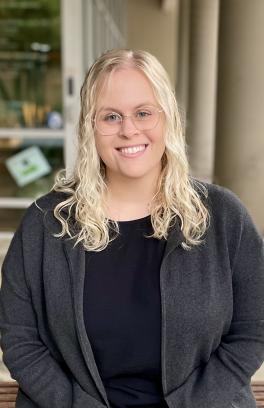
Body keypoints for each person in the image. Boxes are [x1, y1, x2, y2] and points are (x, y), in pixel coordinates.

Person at [0, 49, 264, 408]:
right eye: (110, 116)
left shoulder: (223, 217)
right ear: (89, 127)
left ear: (167, 117)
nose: (129, 129)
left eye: (143, 113)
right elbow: (19, 337)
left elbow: (254, 329)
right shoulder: (46, 223)